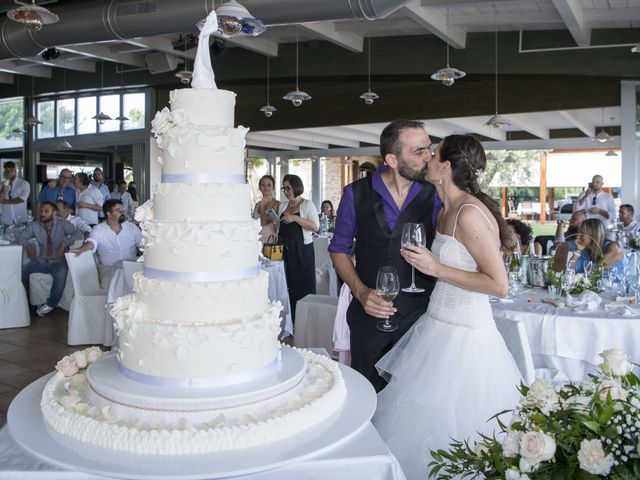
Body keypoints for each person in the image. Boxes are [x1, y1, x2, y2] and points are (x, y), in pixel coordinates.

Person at [373, 134, 521, 480]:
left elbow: (499, 285)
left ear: (446, 167)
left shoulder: (468, 213)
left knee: (458, 433)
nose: (426, 158)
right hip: (436, 326)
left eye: (433, 154)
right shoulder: (446, 212)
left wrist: (436, 268)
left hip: (465, 338)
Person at [329, 119, 440, 392]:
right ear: (392, 159)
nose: (429, 157)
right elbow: (338, 250)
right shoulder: (355, 193)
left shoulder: (436, 194)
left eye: (429, 148)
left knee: (413, 400)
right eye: (419, 151)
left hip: (421, 319)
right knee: (368, 397)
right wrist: (361, 292)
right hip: (369, 319)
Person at [18, 201, 83, 316]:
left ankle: (51, 304)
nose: (42, 213)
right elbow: (21, 237)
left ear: (54, 213)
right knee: (22, 273)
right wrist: (27, 246)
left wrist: (64, 243)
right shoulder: (35, 225)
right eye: (41, 211)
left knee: (60, 276)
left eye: (46, 211)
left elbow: (78, 235)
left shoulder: (63, 223)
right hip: (41, 260)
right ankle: (28, 298)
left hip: (58, 261)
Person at [277, 174, 319, 322]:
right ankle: (291, 322)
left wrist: (295, 218)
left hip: (302, 251)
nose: (286, 191)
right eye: (284, 189)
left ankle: (307, 322)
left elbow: (315, 227)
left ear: (296, 186)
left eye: (288, 188)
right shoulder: (283, 206)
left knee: (304, 286)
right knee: (288, 286)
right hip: (286, 252)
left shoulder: (307, 204)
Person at [71, 199, 142, 267]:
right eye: (118, 210)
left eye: (123, 209)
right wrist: (82, 249)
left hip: (131, 268)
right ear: (109, 214)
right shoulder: (99, 229)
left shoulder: (132, 228)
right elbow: (91, 242)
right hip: (109, 269)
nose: (122, 212)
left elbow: (143, 245)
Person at [0, 161, 30, 226]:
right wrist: (6, 182)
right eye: (7, 171)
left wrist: (5, 201)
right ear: (4, 172)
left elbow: (22, 199)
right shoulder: (2, 185)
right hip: (6, 220)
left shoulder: (24, 184)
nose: (9, 173)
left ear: (15, 171)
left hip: (21, 219)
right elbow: (0, 198)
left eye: (11, 171)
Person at [253, 175, 280, 244]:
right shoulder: (257, 205)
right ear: (260, 187)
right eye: (263, 185)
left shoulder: (277, 204)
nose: (266, 187)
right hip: (256, 240)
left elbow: (263, 223)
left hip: (270, 242)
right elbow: (254, 224)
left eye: (269, 185)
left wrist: (262, 205)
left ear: (273, 188)